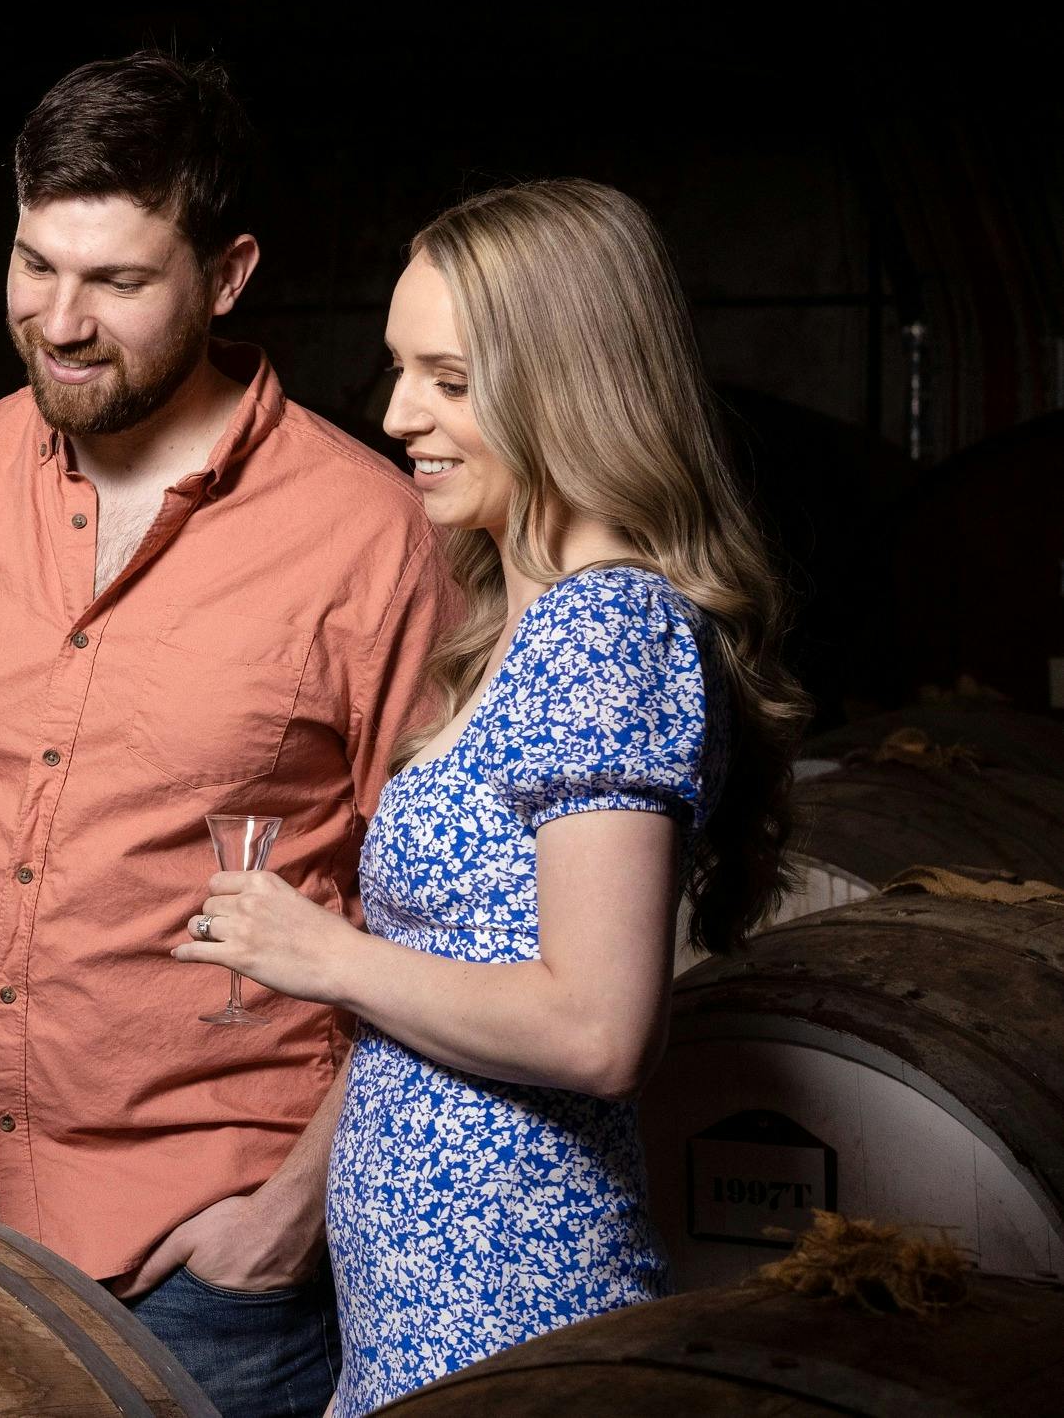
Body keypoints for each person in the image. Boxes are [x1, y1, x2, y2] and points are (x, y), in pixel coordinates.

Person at [0, 52, 450, 1418]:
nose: (60, 321)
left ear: (226, 274)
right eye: (34, 265)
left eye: (117, 281)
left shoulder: (370, 535)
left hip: (219, 1270)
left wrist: (287, 1217)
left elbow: (441, 920)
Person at [176, 179, 808, 1414]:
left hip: (512, 1315)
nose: (397, 413)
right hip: (412, 1334)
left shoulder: (604, 627)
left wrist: (324, 955)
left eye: (450, 381)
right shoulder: (506, 630)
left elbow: (597, 1030)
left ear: (565, 388)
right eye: (399, 368)